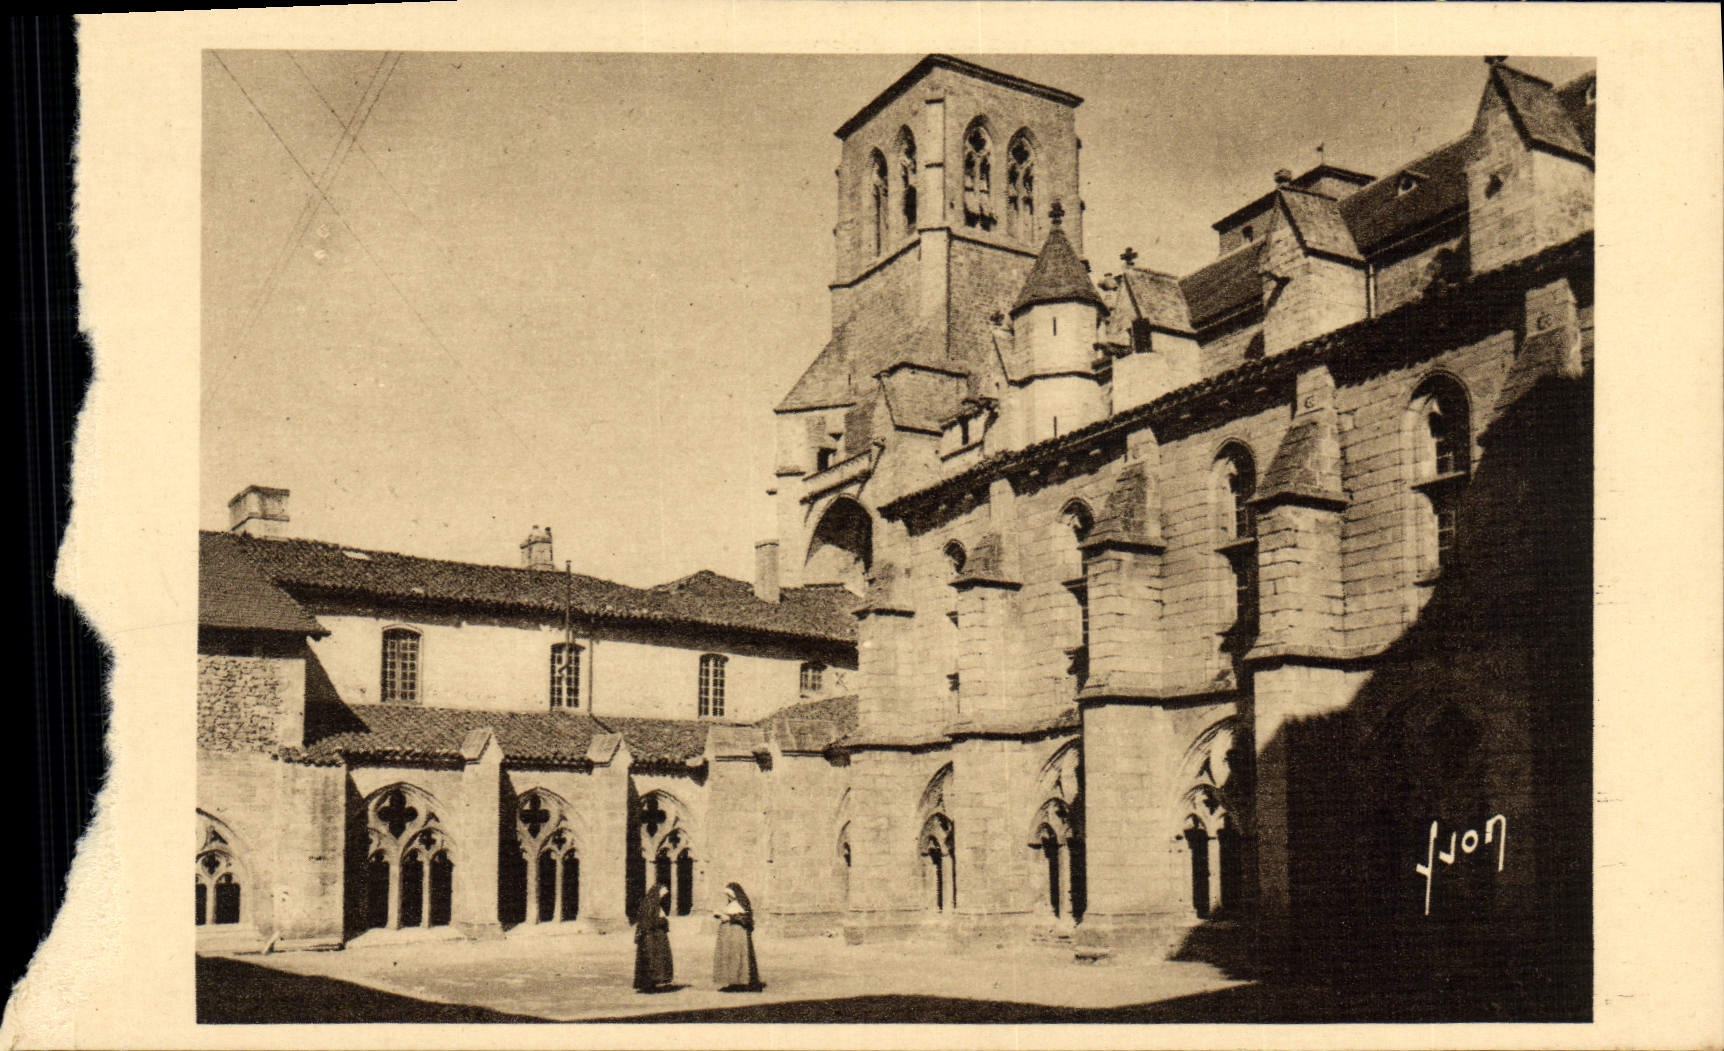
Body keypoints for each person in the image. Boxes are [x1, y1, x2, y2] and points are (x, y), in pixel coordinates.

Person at [712, 882, 760, 991]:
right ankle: (731, 982)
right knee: (728, 956)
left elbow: (746, 918)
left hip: (738, 935)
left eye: (730, 894)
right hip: (727, 935)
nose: (728, 897)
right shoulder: (731, 904)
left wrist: (730, 918)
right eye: (727, 895)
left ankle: (740, 982)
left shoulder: (742, 904)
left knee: (738, 957)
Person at [632, 883, 674, 993]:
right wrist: (663, 921)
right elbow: (650, 921)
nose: (663, 897)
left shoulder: (654, 904)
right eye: (662, 894)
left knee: (655, 960)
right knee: (651, 959)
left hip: (655, 936)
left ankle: (652, 983)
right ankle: (649, 983)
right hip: (650, 938)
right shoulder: (650, 904)